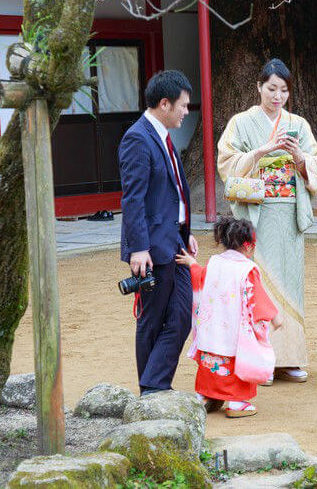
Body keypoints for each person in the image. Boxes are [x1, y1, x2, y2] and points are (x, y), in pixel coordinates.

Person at [217, 58, 317, 384]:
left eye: (284, 90)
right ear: (258, 87)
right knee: (258, 284)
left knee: (290, 285)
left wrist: (300, 158)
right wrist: (261, 152)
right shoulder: (241, 122)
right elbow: (227, 160)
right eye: (271, 88)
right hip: (257, 213)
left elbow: (315, 165)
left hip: (288, 212)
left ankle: (289, 358)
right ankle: (259, 357)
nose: (277, 96)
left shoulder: (299, 125)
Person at [119, 69, 197, 395]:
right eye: (182, 105)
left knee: (181, 316)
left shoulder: (163, 135)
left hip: (174, 239)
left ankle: (154, 383)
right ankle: (152, 390)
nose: (186, 111)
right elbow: (133, 198)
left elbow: (171, 192)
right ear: (164, 103)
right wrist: (139, 248)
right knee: (152, 320)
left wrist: (184, 229)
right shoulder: (137, 138)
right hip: (151, 246)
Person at [176, 216, 283, 418]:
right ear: (248, 246)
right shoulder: (247, 269)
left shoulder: (214, 262)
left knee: (211, 363)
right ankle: (235, 402)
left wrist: (191, 263)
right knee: (234, 364)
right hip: (233, 330)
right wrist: (275, 318)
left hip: (211, 328)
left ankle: (204, 397)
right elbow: (257, 298)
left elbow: (200, 277)